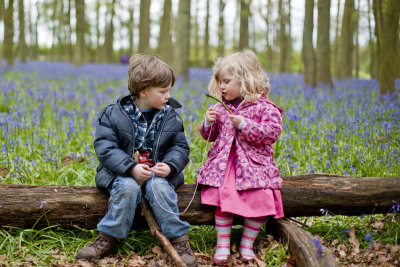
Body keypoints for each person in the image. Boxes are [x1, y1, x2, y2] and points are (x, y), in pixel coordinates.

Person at [76, 54, 197, 267]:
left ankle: (178, 239)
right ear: (143, 91)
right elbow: (105, 147)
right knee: (127, 188)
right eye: (163, 91)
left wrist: (169, 166)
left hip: (157, 175)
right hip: (123, 173)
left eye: (169, 90)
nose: (169, 96)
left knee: (160, 189)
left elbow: (180, 147)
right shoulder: (113, 114)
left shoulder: (171, 116)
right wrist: (130, 168)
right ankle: (109, 237)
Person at [196, 49, 284, 264]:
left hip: (254, 167)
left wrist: (245, 124)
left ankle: (247, 245)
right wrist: (208, 122)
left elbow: (272, 133)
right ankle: (223, 245)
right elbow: (209, 136)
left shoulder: (265, 107)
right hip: (225, 167)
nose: (222, 87)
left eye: (226, 81)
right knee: (221, 200)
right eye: (220, 82)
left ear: (246, 80)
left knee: (260, 200)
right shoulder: (219, 107)